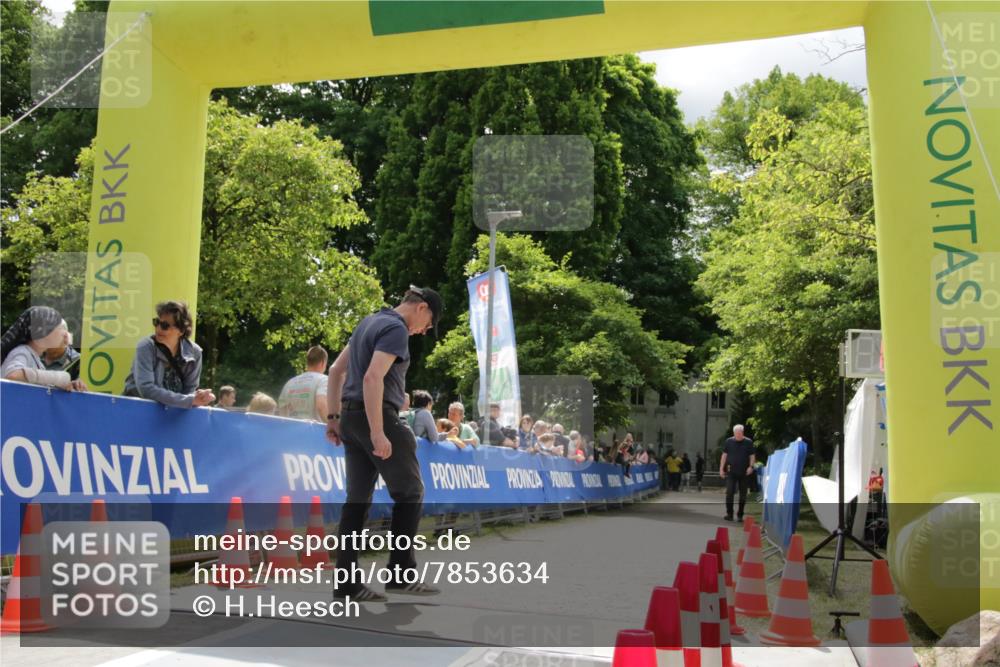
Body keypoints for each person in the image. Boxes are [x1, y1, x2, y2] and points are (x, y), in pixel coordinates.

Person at [325, 285, 443, 601]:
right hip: (375, 417)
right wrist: (378, 431)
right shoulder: (396, 329)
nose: (423, 331)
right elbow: (371, 379)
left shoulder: (369, 322)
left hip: (350, 418)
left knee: (357, 502)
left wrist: (334, 417)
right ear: (422, 308)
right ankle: (401, 574)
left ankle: (347, 584)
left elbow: (336, 370)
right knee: (411, 492)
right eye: (429, 324)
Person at [122, 301, 214, 408]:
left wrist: (200, 397)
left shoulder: (195, 353)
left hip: (170, 416)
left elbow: (189, 393)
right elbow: (146, 390)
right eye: (157, 322)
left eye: (165, 325)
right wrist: (189, 400)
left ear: (181, 330)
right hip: (136, 411)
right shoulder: (146, 346)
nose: (158, 328)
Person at [1, 307, 87, 391]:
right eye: (58, 329)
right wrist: (58, 378)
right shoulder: (22, 351)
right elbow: (13, 375)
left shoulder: (36, 360)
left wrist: (68, 385)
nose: (65, 335)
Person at [277, 345, 329, 421]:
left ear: (307, 362)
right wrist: (331, 427)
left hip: (292, 430)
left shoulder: (290, 382)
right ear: (322, 363)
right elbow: (321, 406)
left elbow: (282, 411)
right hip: (314, 431)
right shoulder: (324, 380)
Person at [720, 424, 756, 522]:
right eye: (736, 434)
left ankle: (740, 514)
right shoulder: (729, 441)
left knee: (743, 494)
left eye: (740, 433)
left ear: (742, 432)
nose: (738, 435)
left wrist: (751, 467)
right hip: (731, 471)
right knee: (729, 492)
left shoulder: (748, 442)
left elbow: (752, 456)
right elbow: (724, 456)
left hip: (744, 472)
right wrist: (721, 469)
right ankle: (729, 514)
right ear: (734, 433)